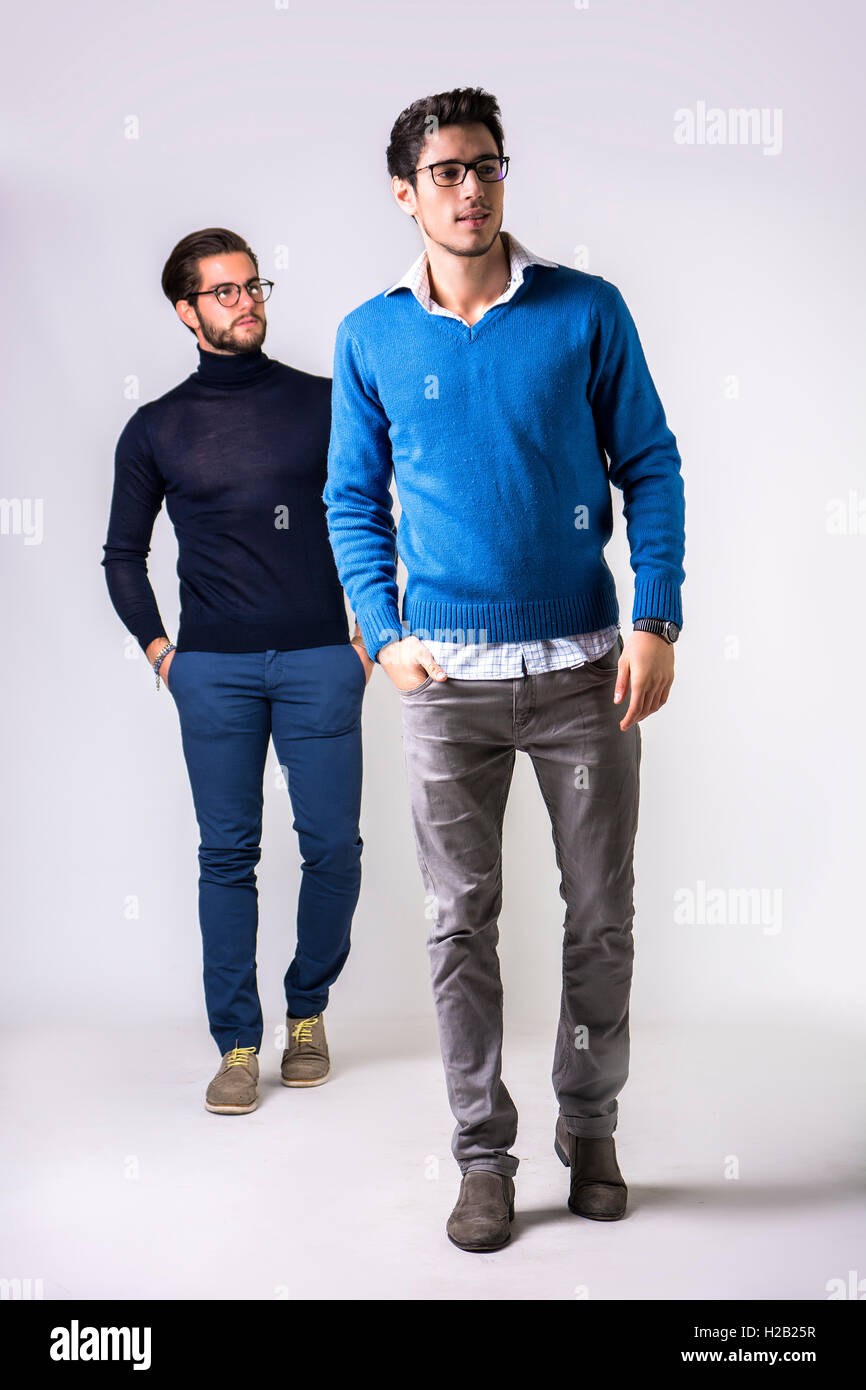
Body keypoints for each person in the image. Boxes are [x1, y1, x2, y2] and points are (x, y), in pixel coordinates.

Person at [324, 88, 685, 1250]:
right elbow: (348, 504)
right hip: (446, 687)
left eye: (485, 165)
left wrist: (655, 617)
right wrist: (382, 635)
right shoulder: (370, 335)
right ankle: (481, 1152)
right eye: (444, 172)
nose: (469, 188)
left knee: (599, 916)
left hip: (585, 671)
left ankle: (592, 1122)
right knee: (456, 922)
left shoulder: (584, 310)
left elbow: (653, 467)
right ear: (404, 192)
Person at [102, 227, 372, 1115]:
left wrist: (373, 629)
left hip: (322, 658)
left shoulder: (328, 403)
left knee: (333, 846)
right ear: (187, 312)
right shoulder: (157, 429)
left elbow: (378, 513)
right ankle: (238, 1043)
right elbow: (122, 557)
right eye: (223, 292)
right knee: (228, 854)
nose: (246, 300)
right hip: (210, 669)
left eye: (253, 285)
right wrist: (162, 656)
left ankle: (307, 1011)